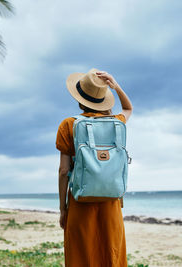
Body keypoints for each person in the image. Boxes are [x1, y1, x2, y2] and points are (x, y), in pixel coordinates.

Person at [56, 68, 133, 266]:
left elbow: (64, 171)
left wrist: (63, 209)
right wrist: (116, 86)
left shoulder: (69, 124)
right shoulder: (117, 122)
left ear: (80, 98)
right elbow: (128, 108)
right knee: (110, 254)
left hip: (80, 201)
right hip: (111, 202)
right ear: (103, 99)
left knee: (81, 255)